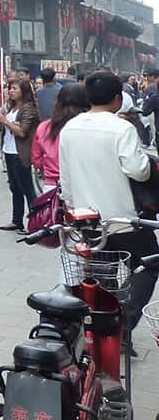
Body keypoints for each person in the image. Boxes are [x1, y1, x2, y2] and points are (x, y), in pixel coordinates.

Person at [59, 71, 157, 334]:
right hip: (123, 218)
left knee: (103, 276)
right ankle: (124, 320)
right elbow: (138, 171)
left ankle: (107, 329)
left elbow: (65, 178)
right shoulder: (121, 127)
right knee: (148, 264)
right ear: (117, 99)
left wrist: (72, 208)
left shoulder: (71, 128)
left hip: (88, 219)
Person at [0, 78, 40, 232]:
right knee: (15, 187)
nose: (11, 91)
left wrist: (6, 122)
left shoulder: (28, 109)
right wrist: (2, 120)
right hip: (9, 150)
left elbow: (22, 132)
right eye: (9, 88)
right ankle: (16, 220)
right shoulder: (11, 108)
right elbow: (8, 127)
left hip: (20, 152)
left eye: (14, 88)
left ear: (24, 91)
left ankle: (36, 222)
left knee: (27, 188)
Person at [30, 83, 90, 190]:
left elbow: (36, 159)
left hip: (52, 184)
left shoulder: (45, 127)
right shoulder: (90, 126)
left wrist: (49, 167)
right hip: (84, 185)